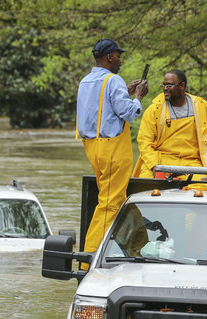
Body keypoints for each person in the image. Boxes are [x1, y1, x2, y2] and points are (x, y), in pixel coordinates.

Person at [77, 38, 148, 256]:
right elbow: (129, 113)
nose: (120, 60)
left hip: (93, 149)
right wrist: (137, 98)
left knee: (115, 199)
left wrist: (124, 92)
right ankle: (89, 258)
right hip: (113, 151)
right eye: (118, 56)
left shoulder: (86, 82)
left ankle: (139, 247)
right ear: (109, 57)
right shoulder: (113, 80)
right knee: (109, 205)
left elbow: (99, 112)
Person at [132, 69, 207, 178]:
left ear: (182, 86)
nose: (165, 89)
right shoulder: (154, 109)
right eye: (163, 85)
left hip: (191, 163)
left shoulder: (202, 107)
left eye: (169, 85)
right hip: (161, 160)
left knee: (201, 187)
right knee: (146, 184)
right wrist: (154, 165)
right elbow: (144, 142)